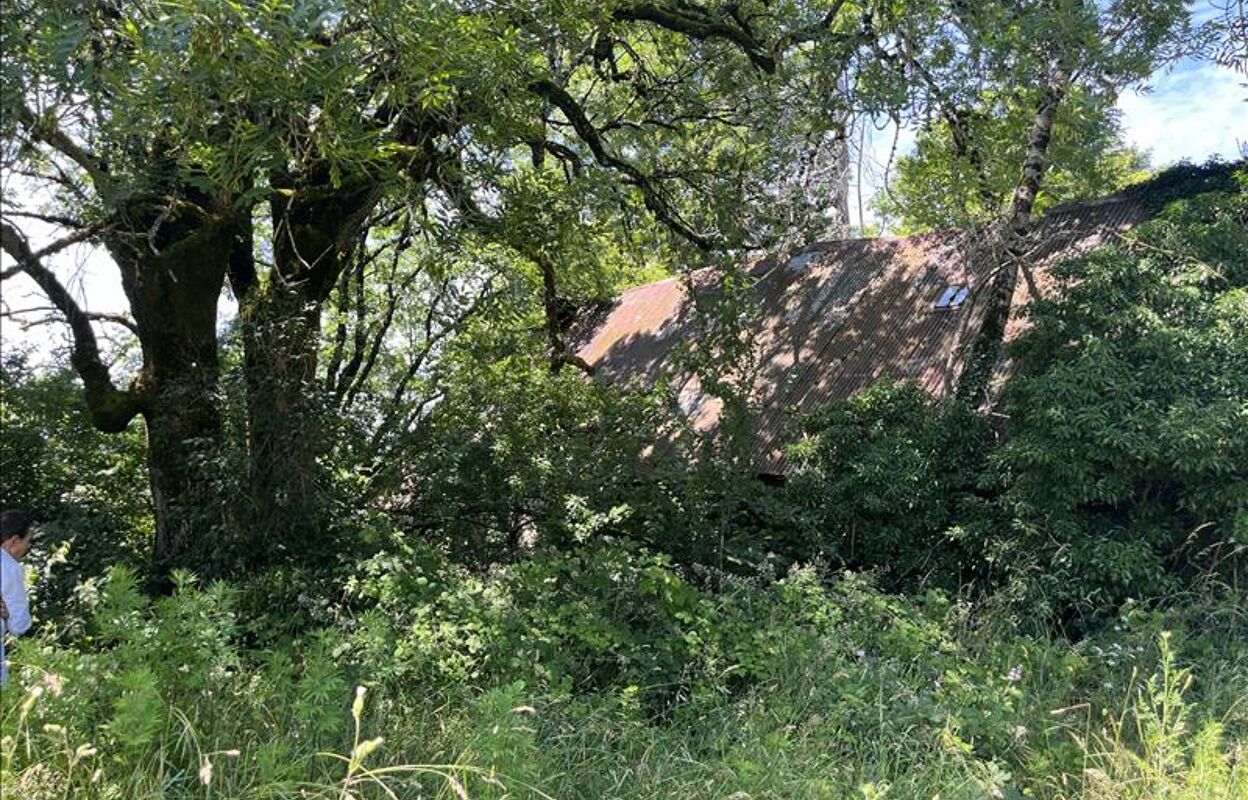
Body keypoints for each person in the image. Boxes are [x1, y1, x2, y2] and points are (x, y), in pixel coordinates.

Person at [1, 510, 35, 686]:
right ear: (14, 541)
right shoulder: (10, 568)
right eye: (28, 541)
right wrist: (8, 616)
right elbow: (20, 625)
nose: (28, 547)